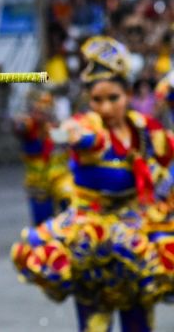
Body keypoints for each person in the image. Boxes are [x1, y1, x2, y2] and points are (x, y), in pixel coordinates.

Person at [12, 36, 174, 332]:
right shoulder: (87, 125)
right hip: (89, 233)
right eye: (97, 100)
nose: (106, 107)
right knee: (94, 323)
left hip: (136, 228)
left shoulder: (143, 128)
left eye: (113, 98)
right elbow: (81, 136)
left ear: (127, 94)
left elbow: (166, 156)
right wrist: (71, 135)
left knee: (139, 321)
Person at [13, 89, 72, 225]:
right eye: (38, 109)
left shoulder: (58, 130)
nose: (42, 112)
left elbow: (71, 142)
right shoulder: (30, 129)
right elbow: (19, 128)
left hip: (60, 183)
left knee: (68, 221)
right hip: (38, 186)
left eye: (46, 107)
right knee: (42, 226)